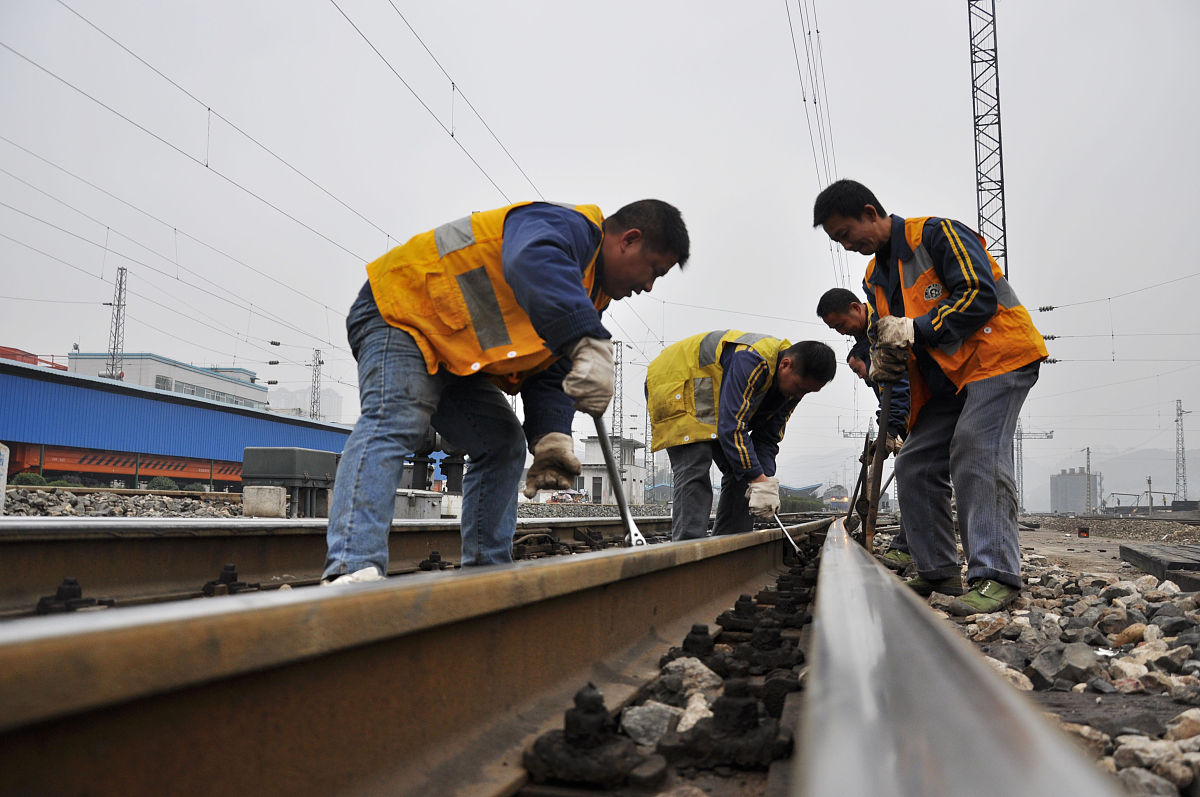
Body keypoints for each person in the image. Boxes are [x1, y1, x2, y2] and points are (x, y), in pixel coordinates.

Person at [322, 199, 689, 583]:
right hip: (402, 313)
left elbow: (551, 369)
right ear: (629, 240)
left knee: (502, 444)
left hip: (454, 353)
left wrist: (551, 436)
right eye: (653, 270)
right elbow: (532, 260)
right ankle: (351, 569)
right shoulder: (569, 228)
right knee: (395, 418)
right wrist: (587, 337)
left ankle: (486, 575)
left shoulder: (588, 295)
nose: (648, 286)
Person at [814, 179, 1047, 615]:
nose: (846, 245)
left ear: (870, 213)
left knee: (976, 447)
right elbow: (893, 338)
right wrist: (886, 361)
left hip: (997, 358)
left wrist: (914, 330)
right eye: (837, 240)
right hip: (947, 379)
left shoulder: (938, 234)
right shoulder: (873, 278)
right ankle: (938, 570)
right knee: (914, 463)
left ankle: (997, 573)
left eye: (846, 233)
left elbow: (978, 296)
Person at [646, 331, 836, 541]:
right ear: (785, 365)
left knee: (747, 471)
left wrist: (763, 481)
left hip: (711, 399)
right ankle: (688, 548)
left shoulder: (791, 389)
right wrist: (756, 478)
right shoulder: (751, 360)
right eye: (800, 387)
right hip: (676, 380)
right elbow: (732, 427)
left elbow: (768, 439)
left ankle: (731, 544)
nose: (799, 395)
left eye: (808, 392)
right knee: (695, 463)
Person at [820, 289, 912, 571]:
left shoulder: (882, 331)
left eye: (841, 324)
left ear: (855, 308)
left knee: (915, 473)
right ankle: (910, 548)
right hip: (911, 418)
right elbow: (888, 399)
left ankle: (910, 549)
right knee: (914, 473)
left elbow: (900, 387)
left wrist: (891, 430)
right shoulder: (868, 340)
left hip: (925, 412)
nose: (842, 332)